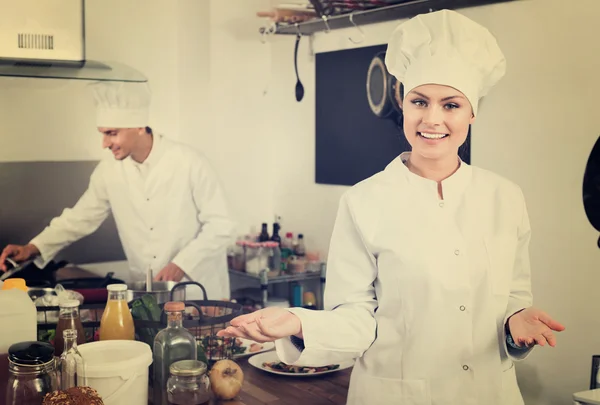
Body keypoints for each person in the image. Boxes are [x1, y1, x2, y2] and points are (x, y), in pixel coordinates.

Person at [217, 9, 565, 405]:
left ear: (473, 111)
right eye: (420, 101)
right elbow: (356, 318)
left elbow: (514, 300)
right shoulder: (364, 201)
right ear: (402, 101)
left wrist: (514, 325)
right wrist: (298, 322)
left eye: (450, 105)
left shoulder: (506, 197)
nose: (432, 119)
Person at [0, 81, 236, 300]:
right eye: (103, 133)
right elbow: (80, 218)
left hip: (199, 292)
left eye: (112, 133)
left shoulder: (189, 162)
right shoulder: (108, 170)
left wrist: (181, 264)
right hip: (146, 293)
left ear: (140, 127)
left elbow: (221, 225)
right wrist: (32, 248)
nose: (104, 143)